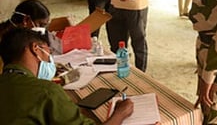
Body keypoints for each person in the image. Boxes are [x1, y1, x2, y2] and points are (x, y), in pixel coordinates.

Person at [0, 28, 134, 124]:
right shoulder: (46, 91)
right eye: (48, 52)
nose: (50, 59)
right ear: (35, 49)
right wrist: (120, 113)